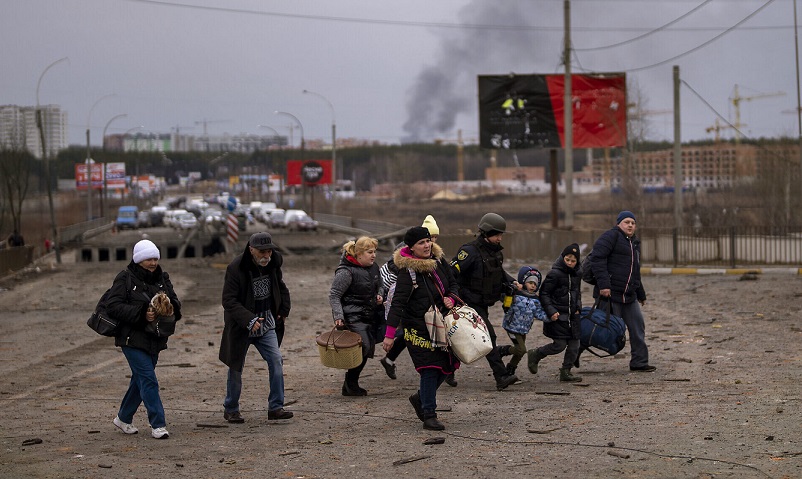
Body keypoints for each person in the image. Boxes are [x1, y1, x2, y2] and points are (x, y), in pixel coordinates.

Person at [384, 226, 459, 430]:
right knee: (430, 369)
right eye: (421, 243)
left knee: (448, 364)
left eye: (428, 241)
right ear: (411, 247)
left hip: (442, 324)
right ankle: (429, 414)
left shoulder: (439, 261)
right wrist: (390, 335)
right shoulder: (407, 272)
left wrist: (450, 297)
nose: (427, 245)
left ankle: (420, 398)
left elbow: (453, 283)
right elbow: (397, 304)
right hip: (417, 328)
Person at [107, 239, 182, 439]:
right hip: (131, 339)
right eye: (149, 258)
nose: (153, 262)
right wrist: (142, 314)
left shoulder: (162, 278)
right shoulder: (125, 278)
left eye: (155, 258)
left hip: (155, 339)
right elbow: (113, 305)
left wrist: (168, 307)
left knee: (140, 380)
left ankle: (123, 418)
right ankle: (158, 425)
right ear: (139, 260)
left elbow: (175, 302)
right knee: (149, 380)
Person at [219, 232, 293, 424]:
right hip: (241, 326)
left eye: (269, 251)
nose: (266, 256)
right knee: (236, 367)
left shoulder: (274, 264)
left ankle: (276, 407)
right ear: (251, 249)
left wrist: (284, 309)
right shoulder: (235, 268)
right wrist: (249, 319)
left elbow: (281, 287)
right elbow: (228, 300)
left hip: (267, 324)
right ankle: (231, 409)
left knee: (276, 360)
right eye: (262, 252)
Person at [450, 213, 519, 390]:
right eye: (497, 234)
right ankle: (501, 376)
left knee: (463, 338)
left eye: (500, 235)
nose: (499, 238)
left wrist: (512, 282)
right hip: (468, 303)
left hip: (483, 302)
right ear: (486, 232)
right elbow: (452, 273)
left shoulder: (494, 253)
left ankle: (447, 370)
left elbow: (499, 273)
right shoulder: (470, 251)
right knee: (488, 336)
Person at [588, 211, 654, 372]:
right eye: (626, 222)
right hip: (610, 295)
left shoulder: (634, 244)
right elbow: (597, 259)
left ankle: (639, 362)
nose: (630, 225)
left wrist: (641, 294)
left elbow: (635, 272)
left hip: (629, 297)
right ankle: (573, 355)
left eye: (633, 222)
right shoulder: (610, 237)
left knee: (638, 328)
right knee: (600, 330)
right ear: (618, 223)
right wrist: (604, 285)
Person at [329, 236, 382, 396]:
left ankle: (350, 384)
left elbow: (380, 285)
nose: (373, 255)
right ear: (358, 254)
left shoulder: (374, 267)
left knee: (366, 348)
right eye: (369, 252)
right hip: (353, 316)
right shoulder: (346, 272)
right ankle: (351, 383)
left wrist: (380, 294)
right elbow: (334, 295)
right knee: (364, 347)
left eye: (374, 252)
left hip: (370, 314)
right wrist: (339, 316)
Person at [527, 244, 583, 382]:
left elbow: (577, 293)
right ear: (563, 258)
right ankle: (536, 354)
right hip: (558, 316)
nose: (570, 263)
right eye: (567, 259)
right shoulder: (555, 274)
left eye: (573, 261)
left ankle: (566, 371)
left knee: (575, 345)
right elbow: (544, 293)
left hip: (573, 316)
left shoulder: (577, 274)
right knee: (559, 345)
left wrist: (578, 307)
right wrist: (551, 311)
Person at [499, 266, 547, 377]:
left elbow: (539, 313)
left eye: (535, 284)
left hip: (523, 329)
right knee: (521, 350)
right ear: (524, 282)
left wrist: (551, 317)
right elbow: (504, 300)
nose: (532, 285)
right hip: (511, 327)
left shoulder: (536, 300)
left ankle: (510, 370)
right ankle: (501, 350)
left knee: (519, 352)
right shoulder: (516, 294)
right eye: (530, 282)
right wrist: (510, 291)